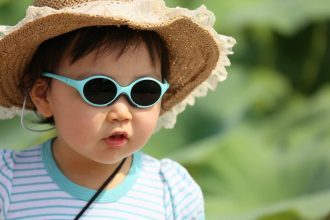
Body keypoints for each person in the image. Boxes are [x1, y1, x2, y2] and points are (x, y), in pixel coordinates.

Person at [0, 0, 235, 219]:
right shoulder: (7, 182)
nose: (122, 112)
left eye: (144, 90)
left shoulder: (172, 191)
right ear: (43, 95)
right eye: (99, 89)